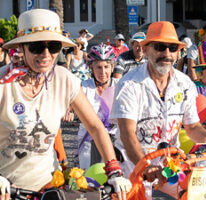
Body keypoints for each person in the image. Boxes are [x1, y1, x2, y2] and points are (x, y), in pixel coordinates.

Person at [0, 9, 131, 200]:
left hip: (50, 188)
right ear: (22, 47)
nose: (46, 55)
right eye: (37, 47)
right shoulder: (3, 83)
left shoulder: (63, 79)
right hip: (8, 188)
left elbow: (95, 126)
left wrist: (114, 171)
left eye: (53, 46)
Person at [109, 21, 206, 199]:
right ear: (145, 50)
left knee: (198, 193)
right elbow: (127, 134)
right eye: (160, 47)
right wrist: (145, 166)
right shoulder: (129, 84)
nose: (167, 54)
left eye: (173, 48)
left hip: (171, 165)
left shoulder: (184, 84)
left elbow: (192, 127)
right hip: (133, 165)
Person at [76, 43, 119, 170]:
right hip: (88, 140)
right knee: (89, 180)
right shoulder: (83, 87)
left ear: (112, 67)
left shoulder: (120, 86)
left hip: (115, 140)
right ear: (91, 68)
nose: (103, 72)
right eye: (98, 67)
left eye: (106, 67)